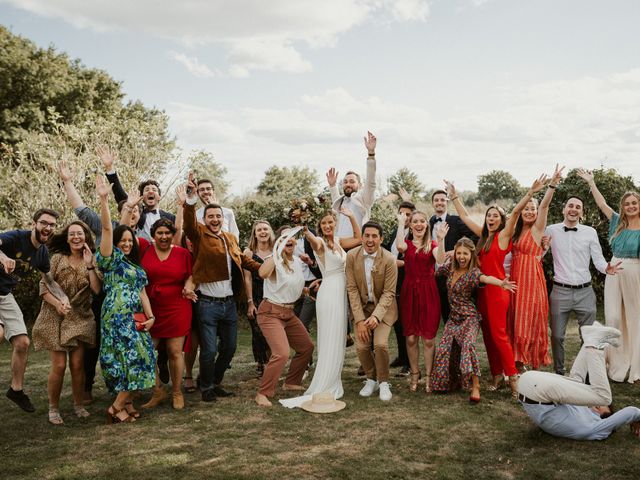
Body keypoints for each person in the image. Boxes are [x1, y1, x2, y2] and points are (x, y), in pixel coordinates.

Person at [446, 175, 548, 396]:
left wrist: (530, 193)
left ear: (501, 220)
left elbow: (516, 212)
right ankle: (496, 375)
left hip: (499, 290)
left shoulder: (503, 235)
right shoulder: (483, 237)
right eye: (489, 215)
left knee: (500, 335)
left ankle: (513, 379)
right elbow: (463, 215)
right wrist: (454, 196)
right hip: (482, 292)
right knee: (488, 336)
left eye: (495, 216)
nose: (491, 218)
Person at [181, 180, 261, 402]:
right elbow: (188, 224)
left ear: (223, 219)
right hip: (207, 304)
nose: (215, 220)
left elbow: (243, 259)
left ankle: (214, 381)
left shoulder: (230, 238)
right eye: (210, 217)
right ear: (205, 220)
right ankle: (206, 386)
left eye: (218, 217)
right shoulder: (199, 235)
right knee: (208, 351)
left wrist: (262, 268)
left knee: (230, 348)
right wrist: (190, 199)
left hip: (228, 304)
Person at [280, 208, 362, 409]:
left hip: (340, 292)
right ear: (320, 227)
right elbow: (312, 239)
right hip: (330, 292)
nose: (327, 226)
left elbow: (359, 238)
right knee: (329, 337)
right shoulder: (319, 243)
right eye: (323, 223)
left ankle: (334, 377)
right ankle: (326, 382)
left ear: (334, 223)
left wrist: (351, 216)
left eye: (330, 222)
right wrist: (305, 229)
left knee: (339, 335)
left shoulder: (340, 242)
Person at [95, 175, 157, 423]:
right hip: (116, 316)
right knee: (128, 359)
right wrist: (106, 200)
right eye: (123, 241)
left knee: (142, 358)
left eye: (130, 241)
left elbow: (142, 292)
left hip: (137, 317)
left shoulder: (136, 267)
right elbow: (111, 229)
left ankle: (126, 403)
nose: (127, 243)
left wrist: (151, 316)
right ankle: (116, 407)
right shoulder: (110, 259)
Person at [517, 322, 640, 440]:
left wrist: (635, 418)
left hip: (535, 391)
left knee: (604, 397)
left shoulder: (597, 428)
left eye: (598, 407)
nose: (596, 405)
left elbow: (633, 411)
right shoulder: (581, 413)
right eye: (600, 406)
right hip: (532, 386)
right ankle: (594, 334)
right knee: (578, 381)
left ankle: (594, 343)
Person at [431, 236, 517, 403]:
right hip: (454, 317)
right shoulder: (449, 268)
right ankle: (451, 381)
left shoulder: (473, 273)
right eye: (459, 253)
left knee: (468, 346)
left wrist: (501, 283)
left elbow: (485, 278)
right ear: (455, 254)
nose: (462, 257)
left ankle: (475, 386)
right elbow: (439, 264)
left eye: (465, 254)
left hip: (469, 317)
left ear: (471, 255)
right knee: (443, 348)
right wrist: (441, 240)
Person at [1, 208, 69, 413]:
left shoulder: (42, 253)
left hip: (5, 295)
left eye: (51, 225)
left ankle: (16, 390)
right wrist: (3, 258)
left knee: (23, 342)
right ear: (34, 223)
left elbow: (49, 280)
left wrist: (63, 297)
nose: (47, 228)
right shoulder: (15, 237)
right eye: (44, 223)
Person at [32, 221, 101, 424]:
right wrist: (57, 304)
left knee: (78, 365)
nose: (76, 237)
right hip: (54, 314)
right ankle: (53, 409)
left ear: (86, 237)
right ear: (67, 237)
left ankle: (78, 405)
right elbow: (43, 288)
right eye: (72, 234)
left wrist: (89, 264)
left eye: (80, 233)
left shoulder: (93, 260)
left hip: (80, 315)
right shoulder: (56, 259)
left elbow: (96, 290)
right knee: (60, 365)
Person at [544, 196, 621, 375]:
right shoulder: (551, 230)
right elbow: (540, 253)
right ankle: (560, 372)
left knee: (587, 337)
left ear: (581, 212)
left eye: (578, 207)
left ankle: (583, 373)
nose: (573, 209)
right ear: (564, 209)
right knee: (556, 336)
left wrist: (606, 268)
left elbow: (598, 259)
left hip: (585, 292)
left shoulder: (590, 232)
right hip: (560, 291)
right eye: (570, 205)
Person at [577, 169, 640, 383]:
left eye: (634, 203)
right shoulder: (616, 222)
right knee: (612, 317)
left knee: (635, 319)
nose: (631, 206)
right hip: (614, 271)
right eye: (627, 203)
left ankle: (635, 367)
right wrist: (592, 183)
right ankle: (613, 361)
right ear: (623, 207)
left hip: (635, 272)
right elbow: (602, 204)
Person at [508, 165, 563, 372]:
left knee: (529, 318)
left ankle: (529, 360)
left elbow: (545, 207)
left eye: (533, 208)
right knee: (515, 318)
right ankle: (516, 361)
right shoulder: (515, 232)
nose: (530, 211)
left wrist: (552, 185)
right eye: (526, 209)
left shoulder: (538, 230)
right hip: (515, 279)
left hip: (531, 279)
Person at [138, 216, 194, 411]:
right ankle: (158, 389)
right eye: (160, 233)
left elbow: (191, 275)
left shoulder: (182, 254)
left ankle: (177, 392)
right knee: (145, 350)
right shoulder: (144, 250)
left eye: (167, 233)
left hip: (177, 306)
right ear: (153, 235)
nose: (163, 236)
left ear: (173, 235)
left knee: (174, 352)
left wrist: (188, 286)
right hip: (150, 307)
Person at [254, 227, 314, 407]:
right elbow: (262, 274)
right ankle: (263, 393)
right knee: (281, 353)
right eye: (284, 237)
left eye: (292, 237)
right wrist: (276, 251)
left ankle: (291, 382)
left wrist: (305, 290)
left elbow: (292, 284)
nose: (289, 239)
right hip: (270, 313)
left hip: (289, 314)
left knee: (306, 347)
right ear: (278, 241)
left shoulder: (296, 261)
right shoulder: (273, 260)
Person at [345, 221, 398, 402]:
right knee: (361, 346)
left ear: (381, 239)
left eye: (374, 236)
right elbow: (351, 289)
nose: (370, 239)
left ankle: (383, 382)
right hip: (361, 308)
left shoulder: (390, 259)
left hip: (383, 308)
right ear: (361, 237)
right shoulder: (351, 256)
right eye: (366, 235)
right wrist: (359, 320)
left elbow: (389, 292)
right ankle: (371, 379)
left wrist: (376, 316)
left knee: (380, 344)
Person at [395, 211, 441, 393]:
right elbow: (399, 246)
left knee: (429, 339)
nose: (419, 224)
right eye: (415, 222)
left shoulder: (433, 244)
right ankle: (415, 373)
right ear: (411, 225)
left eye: (423, 221)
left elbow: (441, 259)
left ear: (426, 225)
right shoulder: (406, 245)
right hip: (409, 293)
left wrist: (442, 239)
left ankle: (430, 376)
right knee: (411, 337)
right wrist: (401, 223)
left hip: (428, 293)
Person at [97, 145, 176, 238]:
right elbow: (119, 193)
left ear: (159, 196)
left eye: (154, 190)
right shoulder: (137, 212)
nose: (150, 192)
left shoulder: (170, 217)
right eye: (147, 190)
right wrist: (109, 168)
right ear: (141, 197)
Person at [429, 190, 478, 325]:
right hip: (436, 275)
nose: (439, 202)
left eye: (442, 200)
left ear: (447, 202)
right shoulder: (430, 222)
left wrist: (457, 250)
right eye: (436, 200)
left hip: (455, 274)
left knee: (458, 316)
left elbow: (476, 236)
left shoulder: (455, 220)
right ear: (432, 203)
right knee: (446, 316)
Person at [327, 131, 377, 239]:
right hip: (340, 247)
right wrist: (332, 186)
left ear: (360, 185)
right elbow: (335, 199)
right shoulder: (341, 202)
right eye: (345, 182)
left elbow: (371, 182)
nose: (348, 184)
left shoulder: (364, 199)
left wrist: (371, 154)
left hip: (358, 246)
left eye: (352, 181)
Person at [384, 201, 414, 377]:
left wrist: (397, 263)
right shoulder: (396, 232)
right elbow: (389, 252)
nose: (404, 217)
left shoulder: (416, 234)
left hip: (407, 281)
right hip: (392, 281)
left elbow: (415, 259)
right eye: (401, 214)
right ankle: (402, 357)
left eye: (408, 214)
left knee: (406, 323)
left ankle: (410, 364)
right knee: (397, 322)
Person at [243, 220, 275, 377]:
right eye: (259, 230)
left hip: (273, 296)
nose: (263, 232)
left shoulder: (277, 250)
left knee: (271, 331)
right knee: (258, 331)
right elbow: (247, 279)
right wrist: (250, 302)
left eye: (265, 229)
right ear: (254, 234)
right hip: (255, 295)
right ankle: (262, 362)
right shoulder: (248, 253)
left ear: (270, 232)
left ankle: (271, 362)